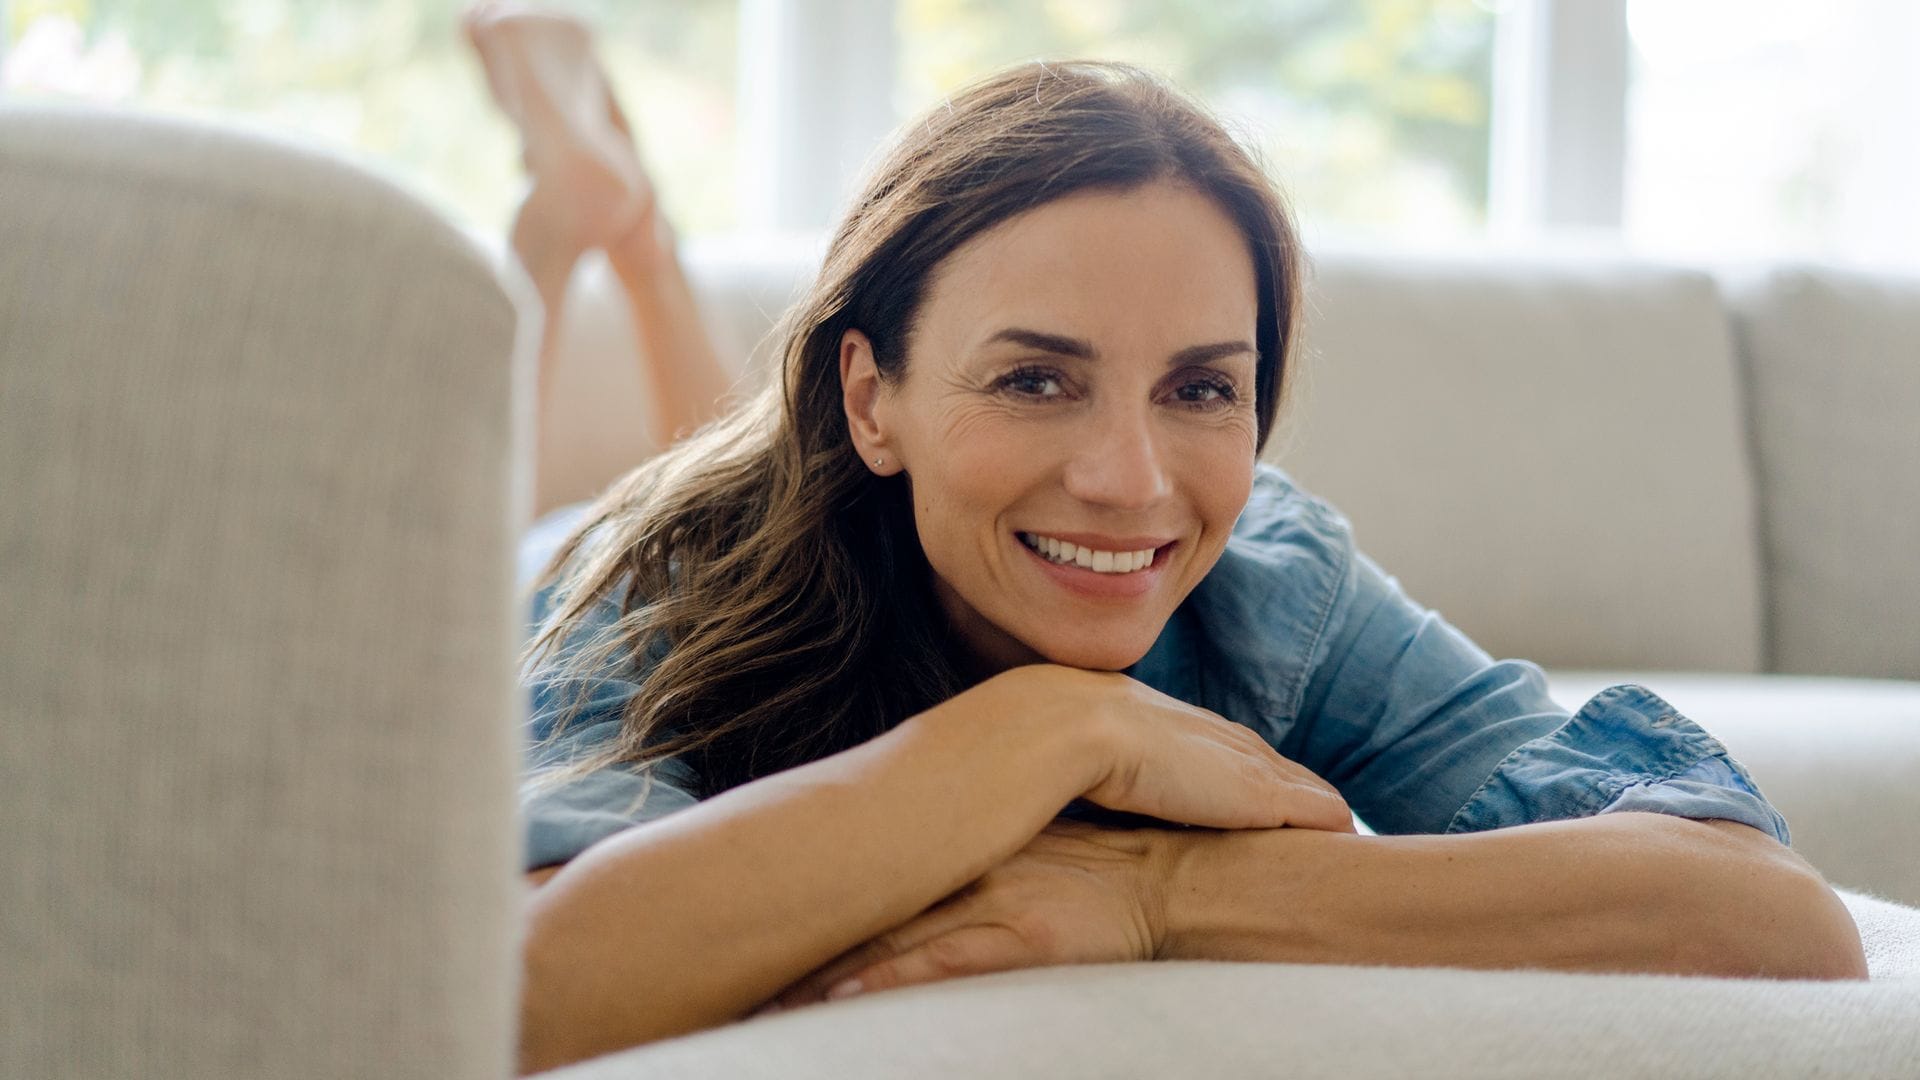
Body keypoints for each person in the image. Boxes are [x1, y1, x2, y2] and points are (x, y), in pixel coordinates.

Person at [463, 6, 1865, 1075]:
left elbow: (1773, 918)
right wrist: (1046, 734)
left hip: (813, 490)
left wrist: (1161, 885)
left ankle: (629, 228)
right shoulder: (655, 596)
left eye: (1202, 389)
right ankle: (605, 238)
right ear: (871, 392)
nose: (1132, 483)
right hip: (623, 549)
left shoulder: (1271, 582)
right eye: (1034, 378)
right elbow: (508, 992)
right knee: (592, 499)